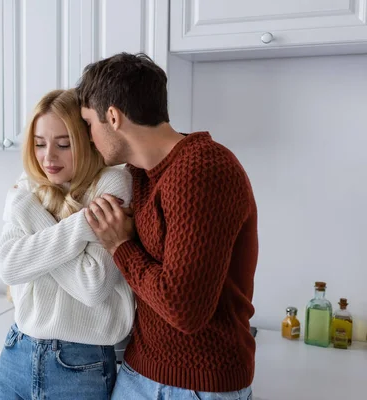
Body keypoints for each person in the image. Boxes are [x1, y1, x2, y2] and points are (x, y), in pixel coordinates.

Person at [75, 53, 258, 400]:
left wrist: (120, 247)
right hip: (139, 371)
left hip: (197, 387)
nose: (88, 137)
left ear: (112, 117)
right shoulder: (141, 174)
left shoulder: (203, 169)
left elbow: (184, 309)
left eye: (88, 124)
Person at [0, 89, 135, 400]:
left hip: (79, 364)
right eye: (40, 144)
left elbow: (91, 285)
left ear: (85, 141)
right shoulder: (29, 185)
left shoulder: (112, 184)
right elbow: (9, 266)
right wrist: (80, 225)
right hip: (17, 349)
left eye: (63, 144)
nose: (48, 158)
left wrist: (28, 213)